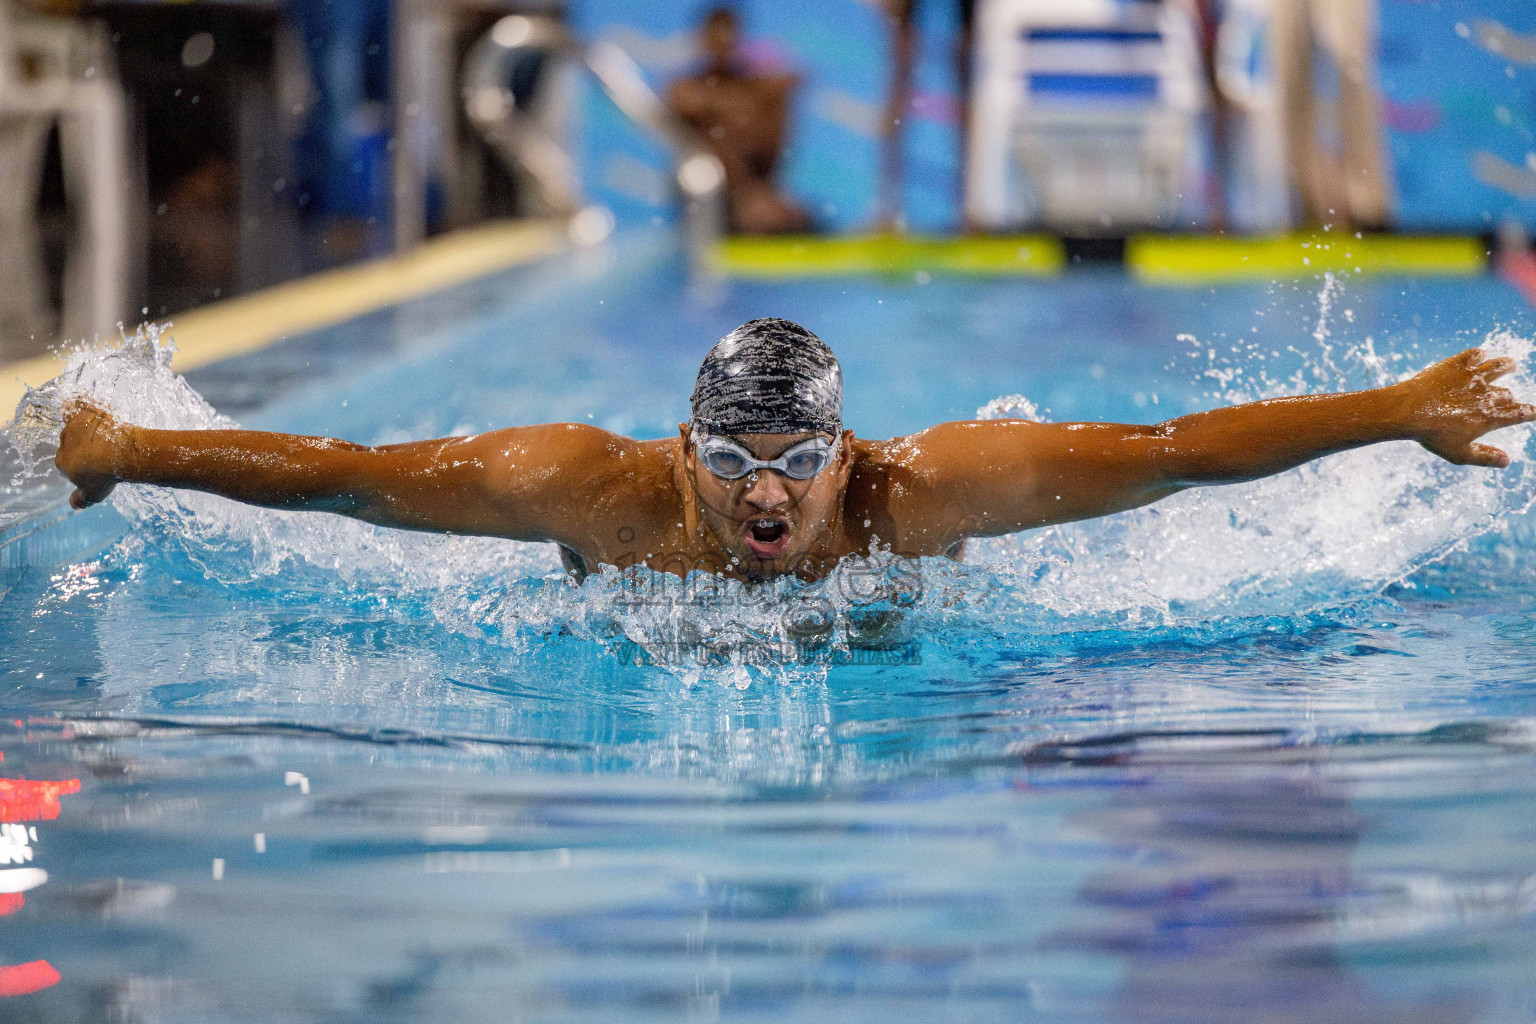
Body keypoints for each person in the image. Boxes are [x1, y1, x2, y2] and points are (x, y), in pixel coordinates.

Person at [54, 318, 1535, 585]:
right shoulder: (592, 489)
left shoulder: (925, 492)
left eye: (793, 461)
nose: (764, 493)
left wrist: (1399, 405)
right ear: (681, 448)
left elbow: (1171, 453)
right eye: (732, 461)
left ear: (844, 450)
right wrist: (125, 446)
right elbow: (347, 476)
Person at [667, 7, 811, 235]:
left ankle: (759, 197)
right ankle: (751, 199)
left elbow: (797, 79)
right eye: (717, 38)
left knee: (793, 218)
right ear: (703, 40)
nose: (722, 46)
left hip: (760, 193)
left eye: (728, 38)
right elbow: (688, 102)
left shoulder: (757, 90)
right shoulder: (687, 90)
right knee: (716, 128)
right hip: (715, 203)